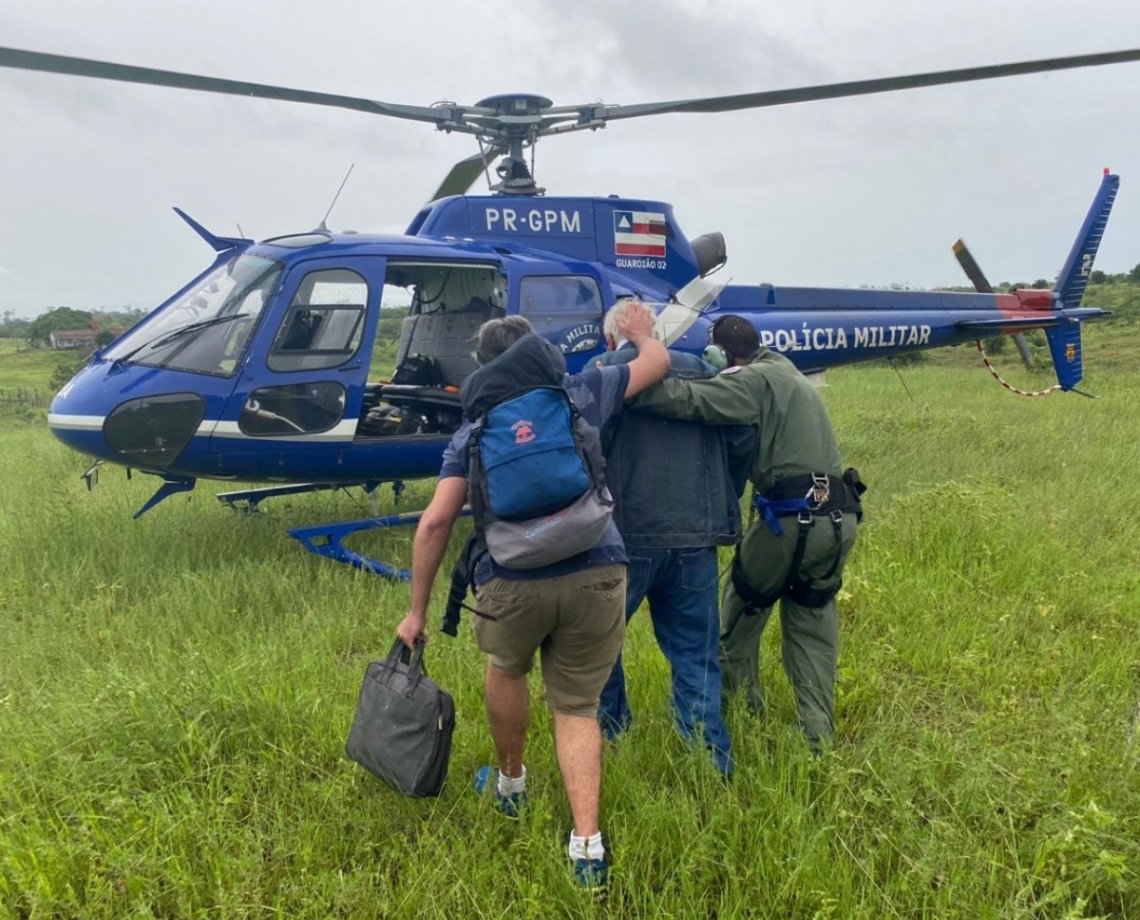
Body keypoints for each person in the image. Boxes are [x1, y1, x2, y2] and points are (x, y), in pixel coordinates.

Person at [395, 305, 669, 892]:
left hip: (510, 580)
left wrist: (417, 611)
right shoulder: (580, 392)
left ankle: (512, 787)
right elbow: (656, 363)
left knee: (507, 668)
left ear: (483, 366)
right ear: (535, 349)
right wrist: (639, 334)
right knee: (576, 709)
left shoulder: (472, 429)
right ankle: (587, 846)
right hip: (597, 568)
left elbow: (436, 524)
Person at [631, 315, 862, 753]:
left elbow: (687, 400)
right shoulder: (788, 371)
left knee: (740, 610)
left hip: (791, 520)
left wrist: (629, 384)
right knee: (812, 624)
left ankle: (743, 715)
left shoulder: (749, 381)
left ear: (720, 353)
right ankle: (817, 738)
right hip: (839, 518)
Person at [593, 299, 752, 776]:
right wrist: (721, 495)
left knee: (596, 648)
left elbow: (585, 451)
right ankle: (708, 763)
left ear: (610, 338)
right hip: (695, 538)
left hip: (621, 537)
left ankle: (610, 738)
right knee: (696, 656)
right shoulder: (704, 371)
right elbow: (742, 438)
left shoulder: (604, 373)